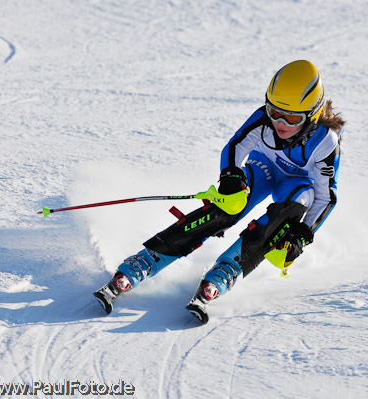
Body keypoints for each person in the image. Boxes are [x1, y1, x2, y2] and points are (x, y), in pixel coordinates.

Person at [93, 60, 345, 324]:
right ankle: (146, 260)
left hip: (295, 183)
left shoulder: (326, 140)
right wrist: (232, 176)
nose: (280, 123)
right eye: (274, 111)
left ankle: (227, 270)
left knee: (297, 203)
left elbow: (326, 195)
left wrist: (304, 233)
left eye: (292, 118)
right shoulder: (263, 120)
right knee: (228, 205)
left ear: (312, 115)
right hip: (264, 169)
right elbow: (235, 147)